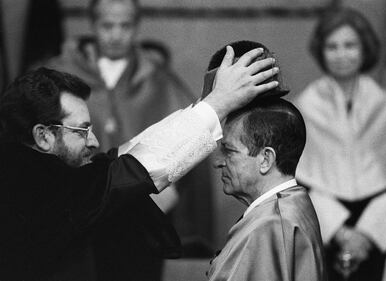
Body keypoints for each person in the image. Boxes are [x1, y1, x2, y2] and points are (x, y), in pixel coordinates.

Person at [0, 46, 279, 281]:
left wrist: (208, 104)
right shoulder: (35, 185)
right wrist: (219, 104)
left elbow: (121, 158)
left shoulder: (37, 169)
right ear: (44, 135)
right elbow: (134, 169)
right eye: (82, 131)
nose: (94, 141)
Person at [45, 0, 216, 262]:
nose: (116, 34)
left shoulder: (159, 81)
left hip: (140, 221)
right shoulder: (58, 76)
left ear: (137, 27)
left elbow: (191, 138)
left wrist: (161, 197)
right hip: (76, 212)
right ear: (93, 24)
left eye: (125, 26)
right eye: (107, 25)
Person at [294, 7, 386, 281]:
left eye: (350, 45)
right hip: (322, 229)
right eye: (332, 46)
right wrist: (340, 231)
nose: (341, 55)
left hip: (381, 232)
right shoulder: (301, 109)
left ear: (365, 49)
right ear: (320, 51)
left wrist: (367, 234)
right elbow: (293, 177)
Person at [205, 41, 327, 281]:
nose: (218, 162)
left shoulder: (269, 225)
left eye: (228, 151)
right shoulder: (288, 205)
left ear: (266, 159)